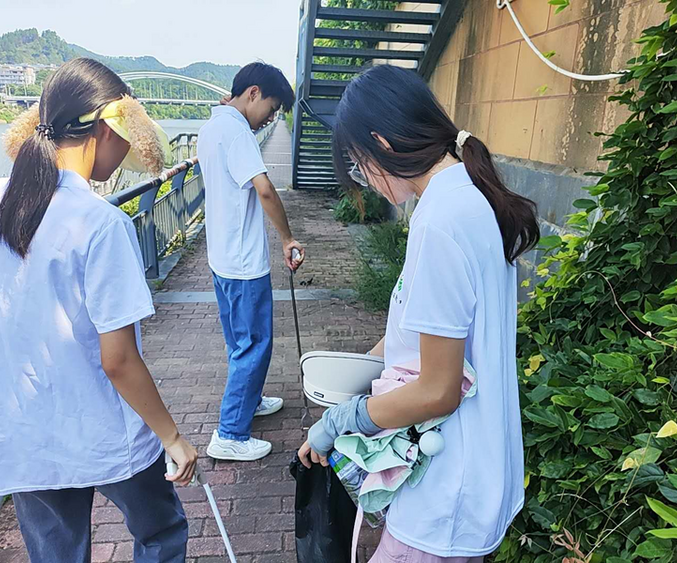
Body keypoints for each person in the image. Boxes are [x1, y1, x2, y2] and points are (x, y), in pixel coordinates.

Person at [299, 64, 540, 561]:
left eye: (358, 163)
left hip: (446, 488)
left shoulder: (441, 221)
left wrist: (344, 420)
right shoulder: (469, 197)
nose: (363, 180)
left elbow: (438, 391)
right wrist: (365, 369)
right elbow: (429, 326)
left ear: (381, 143)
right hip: (475, 470)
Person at [0, 58, 198, 563]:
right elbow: (119, 360)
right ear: (108, 125)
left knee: (57, 554)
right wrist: (173, 437)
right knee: (161, 533)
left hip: (22, 431)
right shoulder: (100, 222)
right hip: (102, 427)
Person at [198, 62, 304, 462]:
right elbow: (265, 191)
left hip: (221, 258)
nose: (272, 118)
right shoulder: (237, 131)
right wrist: (288, 237)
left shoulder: (211, 128)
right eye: (273, 109)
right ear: (254, 93)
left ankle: (250, 400)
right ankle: (230, 433)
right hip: (243, 264)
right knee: (254, 344)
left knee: (238, 341)